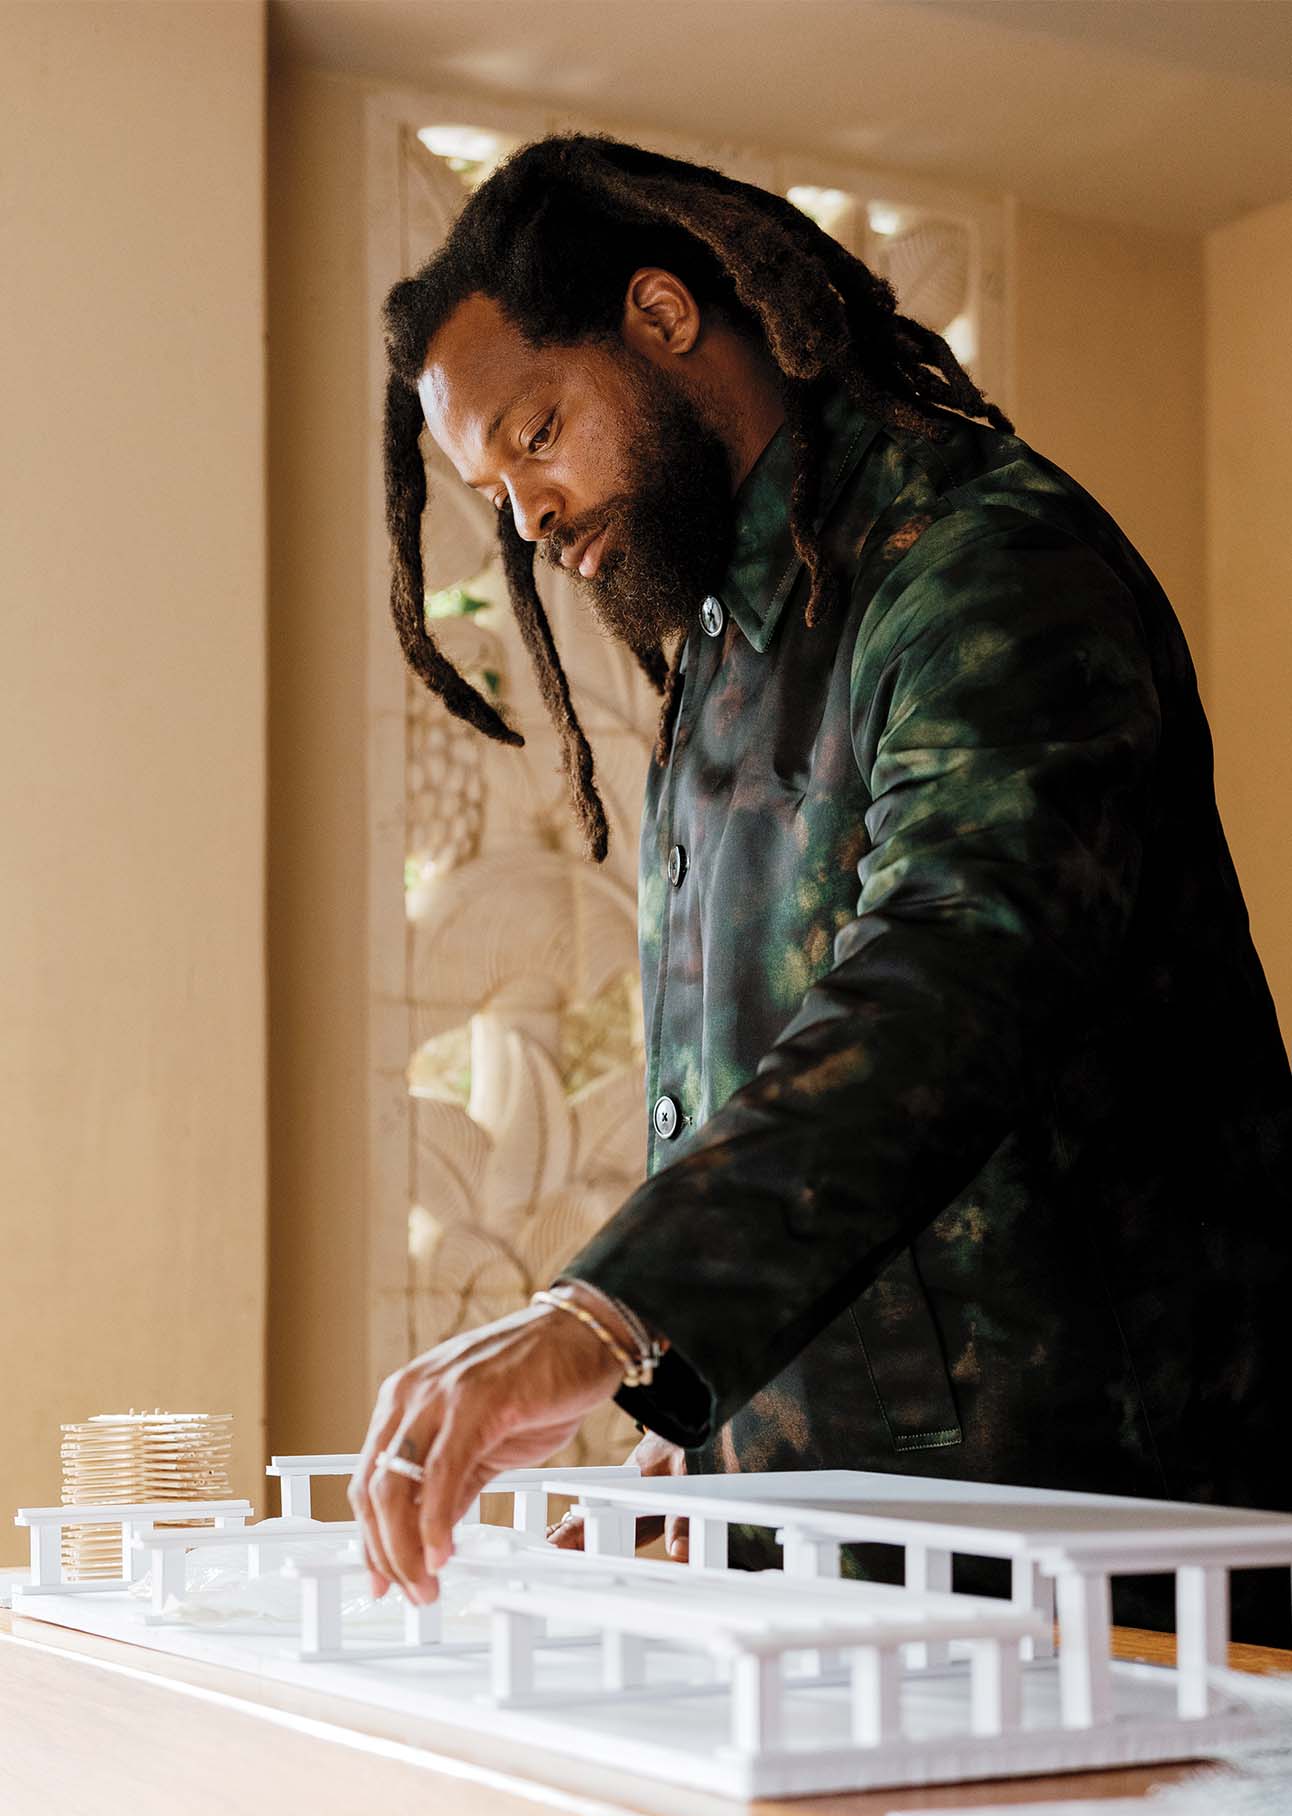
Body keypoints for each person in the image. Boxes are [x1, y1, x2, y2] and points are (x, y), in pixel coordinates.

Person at [351, 134, 1292, 1642]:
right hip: (871, 1561)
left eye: (537, 432)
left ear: (663, 320)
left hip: (1106, 1552)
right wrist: (714, 1424)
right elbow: (776, 1096)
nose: (523, 515)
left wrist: (600, 1310)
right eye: (492, 483)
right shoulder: (735, 649)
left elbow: (949, 984)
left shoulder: (988, 565)